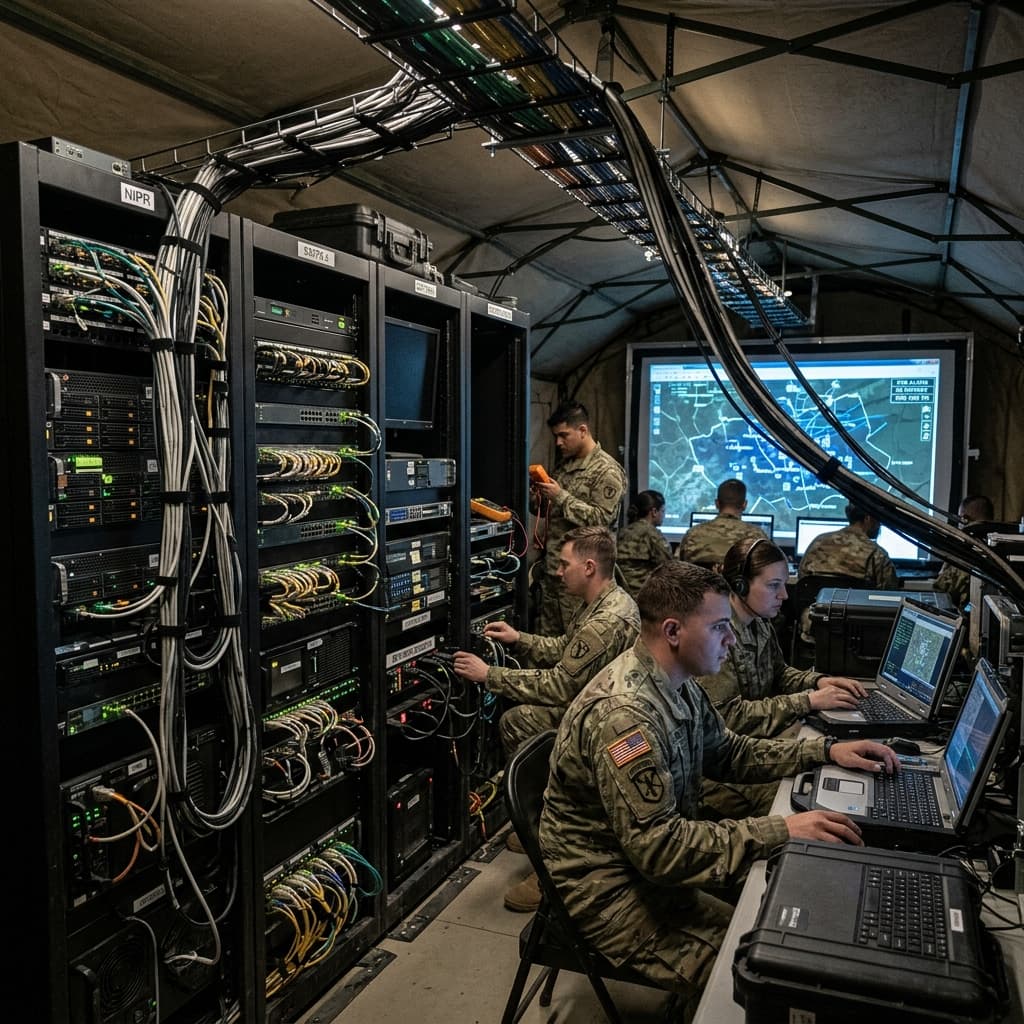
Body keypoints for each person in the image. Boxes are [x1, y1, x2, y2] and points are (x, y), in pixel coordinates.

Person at [538, 561, 898, 1012]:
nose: (731, 640)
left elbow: (730, 753)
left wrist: (824, 752)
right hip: (608, 888)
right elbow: (659, 851)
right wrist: (781, 830)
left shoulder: (677, 681)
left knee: (789, 916)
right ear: (673, 631)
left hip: (645, 863)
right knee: (763, 977)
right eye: (720, 628)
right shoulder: (625, 716)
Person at [453, 525, 639, 912]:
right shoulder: (603, 601)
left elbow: (558, 686)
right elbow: (567, 650)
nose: (557, 571)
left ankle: (551, 852)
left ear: (589, 567)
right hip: (601, 710)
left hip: (603, 726)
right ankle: (538, 823)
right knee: (519, 719)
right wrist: (520, 639)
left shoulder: (607, 621)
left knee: (518, 722)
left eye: (564, 564)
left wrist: (489, 675)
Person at [696, 537, 868, 819]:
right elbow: (727, 717)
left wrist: (817, 682)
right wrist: (807, 701)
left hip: (758, 747)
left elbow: (780, 673)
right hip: (723, 772)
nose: (784, 596)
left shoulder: (760, 622)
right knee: (802, 804)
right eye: (774, 586)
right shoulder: (719, 637)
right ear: (740, 585)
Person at [531, 401, 627, 636]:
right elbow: (552, 513)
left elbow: (602, 520)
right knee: (549, 640)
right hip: (555, 571)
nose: (558, 443)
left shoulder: (607, 471)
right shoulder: (565, 467)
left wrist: (561, 496)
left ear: (583, 430)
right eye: (556, 436)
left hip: (584, 577)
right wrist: (539, 499)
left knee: (579, 640)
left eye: (564, 435)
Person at [797, 501, 899, 589]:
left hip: (815, 610)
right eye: (878, 519)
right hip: (857, 611)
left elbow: (803, 580)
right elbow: (889, 595)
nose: (879, 524)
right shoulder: (877, 554)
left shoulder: (818, 542)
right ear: (868, 518)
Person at [678, 478, 768, 569]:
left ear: (717, 504)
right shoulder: (757, 538)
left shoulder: (692, 535)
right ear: (744, 505)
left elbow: (678, 569)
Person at [934, 494, 995, 611]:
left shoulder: (967, 550)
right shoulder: (999, 544)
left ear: (964, 519)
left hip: (968, 618)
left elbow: (942, 588)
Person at [616, 489, 673, 597]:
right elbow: (669, 567)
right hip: (644, 597)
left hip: (621, 594)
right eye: (663, 511)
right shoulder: (652, 534)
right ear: (654, 512)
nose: (663, 515)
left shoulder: (622, 532)